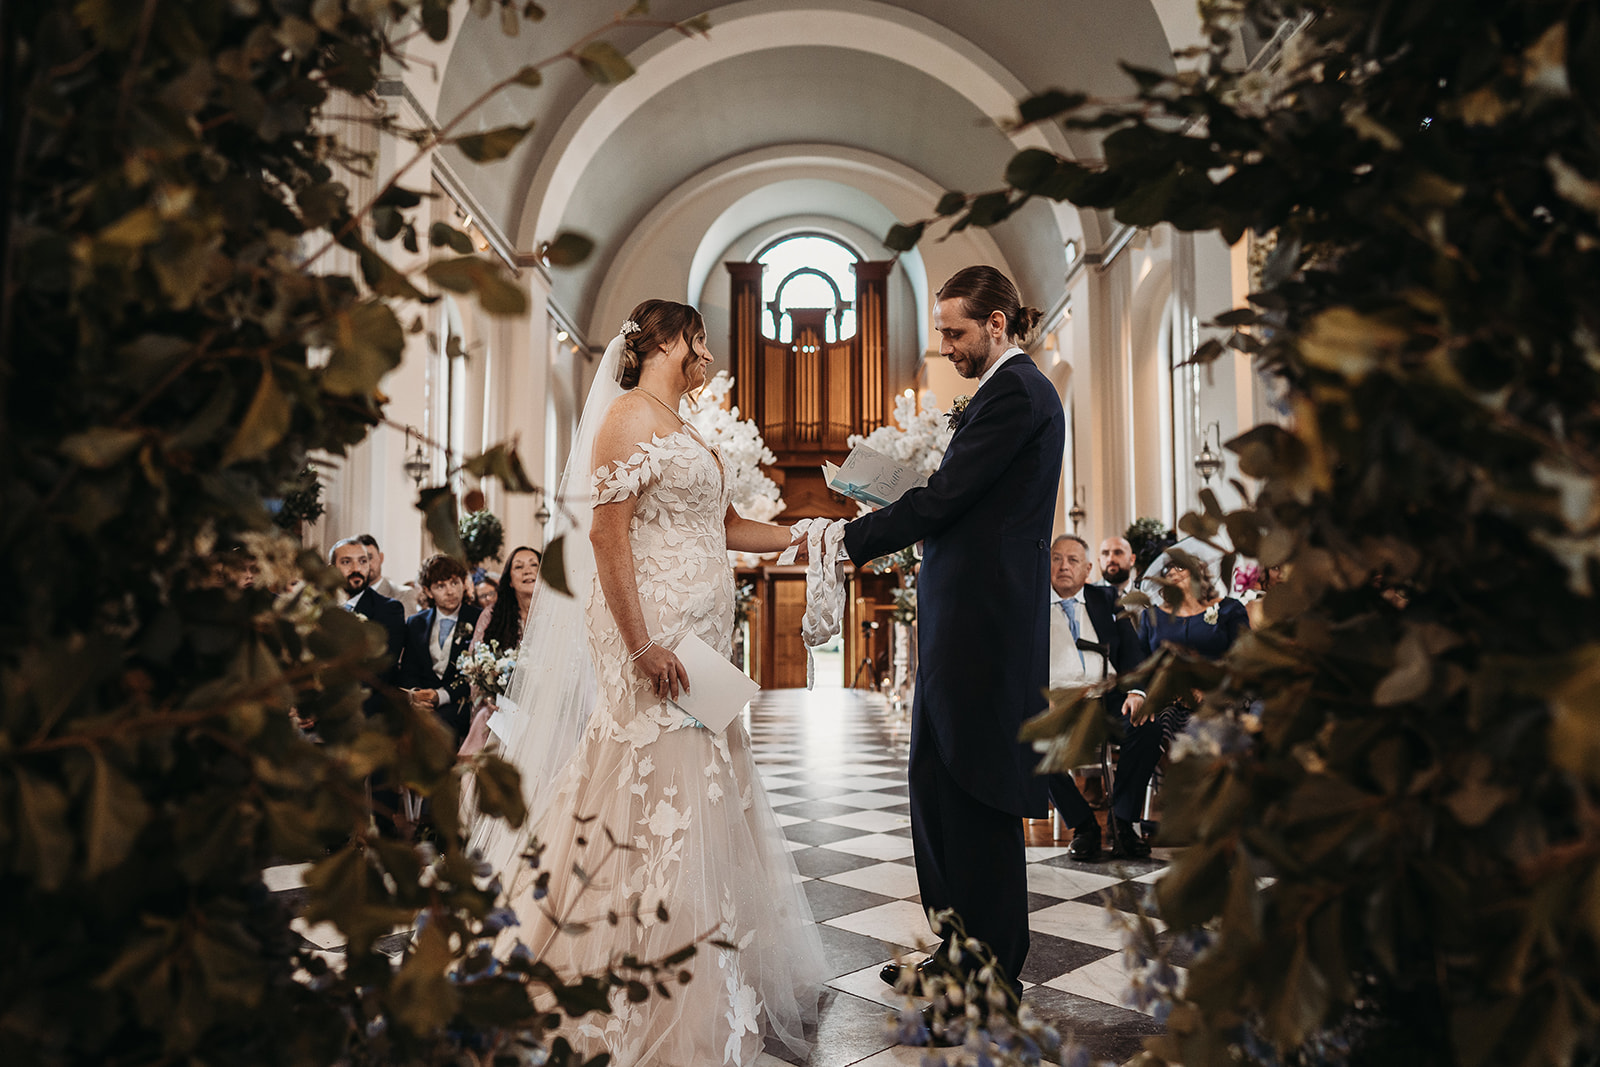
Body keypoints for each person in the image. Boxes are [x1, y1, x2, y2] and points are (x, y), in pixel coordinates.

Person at [486, 300, 824, 1067]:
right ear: (672, 341)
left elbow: (727, 522)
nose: (709, 354)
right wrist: (641, 644)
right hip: (654, 642)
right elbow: (607, 535)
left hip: (698, 643)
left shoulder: (685, 426)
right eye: (701, 339)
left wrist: (812, 535)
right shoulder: (628, 420)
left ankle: (705, 964)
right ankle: (638, 985)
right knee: (657, 787)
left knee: (702, 787)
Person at [842, 266, 1064, 1003]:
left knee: (978, 793)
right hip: (963, 621)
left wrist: (852, 539)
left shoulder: (1019, 392)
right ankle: (957, 946)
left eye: (954, 331)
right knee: (940, 785)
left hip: (987, 627)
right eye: (942, 331)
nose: (944, 346)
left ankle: (992, 969)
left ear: (997, 323)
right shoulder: (997, 393)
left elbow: (948, 497)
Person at [1113, 551, 1250, 857]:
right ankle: (1132, 821)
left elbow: (1243, 660)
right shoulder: (1153, 616)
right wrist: (1147, 693)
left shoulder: (1228, 610)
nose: (1172, 572)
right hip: (1169, 701)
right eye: (1168, 568)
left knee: (1212, 727)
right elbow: (1144, 666)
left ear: (1199, 572)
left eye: (1180, 567)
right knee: (1147, 725)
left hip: (1218, 699)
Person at [1042, 534, 1149, 861]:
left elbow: (1132, 651)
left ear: (1088, 569)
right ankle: (1084, 825)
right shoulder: (1029, 605)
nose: (1063, 566)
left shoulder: (1106, 599)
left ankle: (1124, 821)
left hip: (1107, 698)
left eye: (1073, 560)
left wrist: (1137, 692)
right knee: (1023, 739)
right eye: (1056, 558)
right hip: (1054, 702)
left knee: (1146, 725)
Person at [459, 545, 542, 755]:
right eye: (519, 567)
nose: (528, 571)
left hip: (545, 707)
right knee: (486, 721)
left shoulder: (559, 617)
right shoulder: (491, 616)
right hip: (502, 708)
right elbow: (475, 666)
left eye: (534, 565)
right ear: (510, 580)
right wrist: (488, 697)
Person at [398, 554, 482, 748]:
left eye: (454, 583)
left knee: (439, 726)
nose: (450, 591)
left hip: (461, 702)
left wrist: (440, 696)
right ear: (428, 591)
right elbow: (409, 670)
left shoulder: (478, 619)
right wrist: (417, 696)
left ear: (463, 583)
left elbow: (478, 673)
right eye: (440, 586)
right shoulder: (416, 623)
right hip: (422, 704)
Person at [358, 533, 420, 616]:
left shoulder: (403, 595)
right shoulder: (343, 598)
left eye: (370, 557)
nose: (366, 564)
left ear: (381, 557)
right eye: (361, 560)